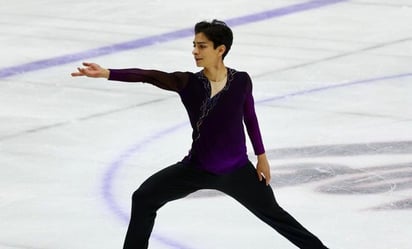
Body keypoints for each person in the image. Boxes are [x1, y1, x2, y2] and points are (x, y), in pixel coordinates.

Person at [72, 20, 329, 249]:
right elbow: (149, 76)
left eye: (202, 46)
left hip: (238, 172)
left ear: (221, 49)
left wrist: (262, 157)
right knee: (143, 198)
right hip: (195, 169)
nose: (195, 51)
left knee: (278, 218)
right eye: (194, 45)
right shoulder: (188, 83)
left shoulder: (241, 81)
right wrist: (107, 73)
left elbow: (249, 117)